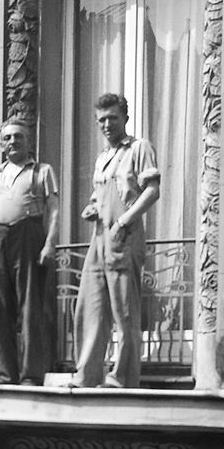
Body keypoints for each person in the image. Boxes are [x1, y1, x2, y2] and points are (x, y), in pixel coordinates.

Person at [73, 93, 160, 388]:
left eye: (112, 118)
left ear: (125, 117)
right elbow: (101, 197)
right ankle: (86, 376)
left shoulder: (139, 148)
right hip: (99, 238)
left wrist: (124, 221)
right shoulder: (102, 158)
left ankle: (121, 379)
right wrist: (92, 208)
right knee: (91, 308)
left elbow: (151, 191)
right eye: (101, 120)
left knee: (125, 313)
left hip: (125, 235)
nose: (107, 124)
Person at [0, 119, 59, 385]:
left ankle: (31, 374)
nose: (13, 142)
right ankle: (4, 373)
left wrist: (49, 244)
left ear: (28, 140)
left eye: (18, 137)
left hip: (27, 235)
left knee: (30, 306)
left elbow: (54, 210)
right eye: (8, 138)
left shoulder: (42, 171)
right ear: (2, 144)